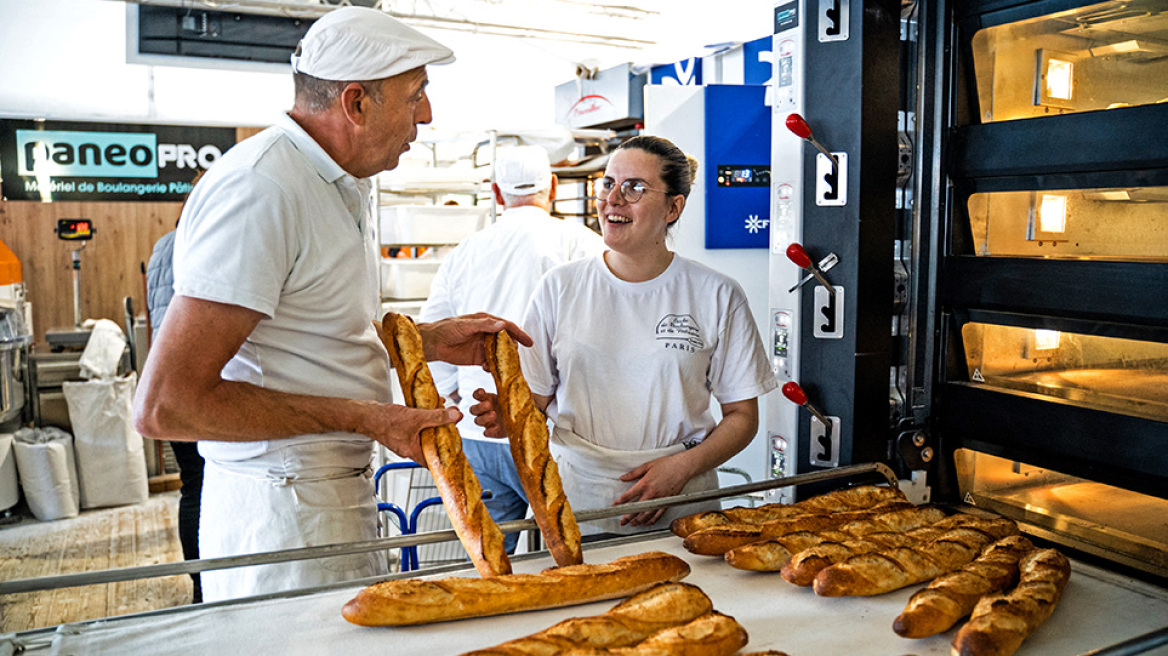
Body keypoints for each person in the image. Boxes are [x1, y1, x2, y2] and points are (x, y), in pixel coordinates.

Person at [132, 7, 530, 602]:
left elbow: (310, 329)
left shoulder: (338, 181)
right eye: (416, 93)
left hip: (324, 497)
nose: (427, 114)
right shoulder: (262, 188)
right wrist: (369, 418)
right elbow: (168, 404)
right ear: (356, 103)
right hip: (280, 514)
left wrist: (425, 339)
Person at [479, 135, 777, 538]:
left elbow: (743, 417)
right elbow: (536, 401)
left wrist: (682, 469)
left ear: (674, 207)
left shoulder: (716, 293)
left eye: (634, 187)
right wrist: (509, 416)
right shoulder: (559, 287)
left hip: (682, 504)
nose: (613, 198)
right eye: (607, 183)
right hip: (578, 500)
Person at [420, 145, 604, 553]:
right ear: (553, 187)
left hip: (477, 431)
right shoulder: (581, 243)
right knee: (565, 551)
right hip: (550, 437)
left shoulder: (464, 252)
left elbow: (434, 329)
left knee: (492, 557)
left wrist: (457, 393)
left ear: (497, 194)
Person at [146, 219, 206, 604]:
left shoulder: (161, 246)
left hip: (166, 383)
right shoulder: (204, 239)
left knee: (191, 487)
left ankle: (200, 586)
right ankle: (209, 586)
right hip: (200, 386)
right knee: (205, 488)